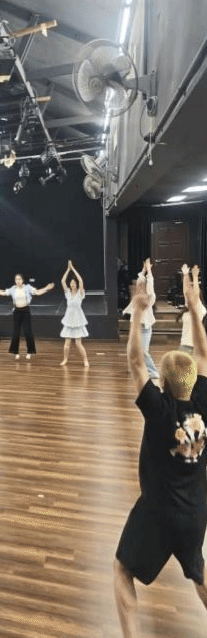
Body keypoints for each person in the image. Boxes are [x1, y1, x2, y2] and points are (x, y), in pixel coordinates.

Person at [114, 265, 207, 637]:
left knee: (122, 571)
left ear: (163, 384)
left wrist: (137, 311)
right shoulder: (203, 401)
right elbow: (203, 354)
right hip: (195, 511)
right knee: (199, 574)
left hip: (157, 512)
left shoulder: (159, 410)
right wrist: (194, 306)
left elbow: (136, 363)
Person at [0, 274, 55, 359]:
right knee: (16, 333)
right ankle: (16, 352)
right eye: (16, 279)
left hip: (25, 311)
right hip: (17, 312)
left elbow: (37, 292)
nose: (18, 281)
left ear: (22, 280)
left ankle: (29, 351)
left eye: (19, 279)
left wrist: (46, 288)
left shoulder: (27, 287)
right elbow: (4, 293)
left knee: (28, 332)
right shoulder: (13, 289)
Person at [122, 258, 159, 379]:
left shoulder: (150, 298)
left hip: (145, 329)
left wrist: (149, 271)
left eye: (141, 286)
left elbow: (150, 283)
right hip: (135, 327)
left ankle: (153, 372)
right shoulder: (135, 299)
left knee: (143, 351)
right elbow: (139, 280)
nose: (139, 287)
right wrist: (143, 271)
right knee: (131, 349)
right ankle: (135, 368)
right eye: (139, 286)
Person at [59, 260, 90, 367]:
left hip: (77, 320)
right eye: (71, 283)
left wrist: (73, 268)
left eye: (74, 283)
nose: (72, 284)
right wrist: (68, 270)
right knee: (67, 344)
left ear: (76, 285)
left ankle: (85, 360)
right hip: (69, 320)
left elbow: (81, 280)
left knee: (78, 344)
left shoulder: (80, 293)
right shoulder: (67, 293)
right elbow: (62, 281)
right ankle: (65, 359)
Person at [179, 265, 206, 355]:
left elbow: (196, 293)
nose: (189, 297)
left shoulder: (199, 308)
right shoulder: (189, 306)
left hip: (195, 347)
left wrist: (195, 277)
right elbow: (186, 292)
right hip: (184, 345)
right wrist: (185, 275)